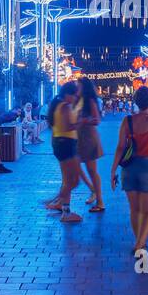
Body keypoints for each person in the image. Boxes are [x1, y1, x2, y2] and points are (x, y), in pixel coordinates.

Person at [110, 86, 148, 255]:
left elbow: (120, 147)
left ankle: (138, 241)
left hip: (130, 168)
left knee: (134, 209)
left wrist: (113, 171)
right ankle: (140, 242)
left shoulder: (127, 121)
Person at [46, 82, 84, 223]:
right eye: (74, 95)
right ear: (68, 94)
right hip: (67, 144)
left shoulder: (57, 105)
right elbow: (69, 126)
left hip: (60, 143)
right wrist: (82, 121)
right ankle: (59, 204)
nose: (75, 98)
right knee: (73, 181)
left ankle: (63, 208)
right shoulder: (66, 107)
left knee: (68, 180)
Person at [76, 78, 106, 213]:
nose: (77, 88)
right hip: (79, 137)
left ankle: (100, 201)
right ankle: (92, 190)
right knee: (76, 166)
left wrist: (83, 120)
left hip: (88, 137)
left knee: (92, 170)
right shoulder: (78, 100)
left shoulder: (90, 101)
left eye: (79, 86)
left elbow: (97, 120)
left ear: (85, 87)